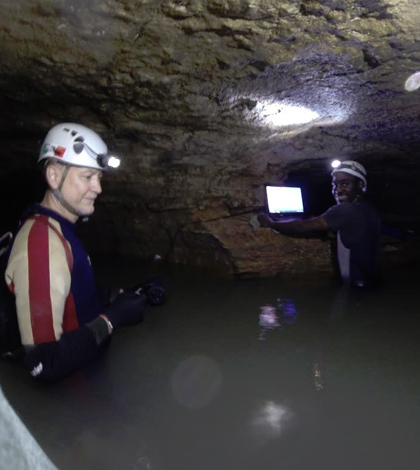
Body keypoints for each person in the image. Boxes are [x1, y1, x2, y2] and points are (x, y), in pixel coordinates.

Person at [4, 123, 148, 382]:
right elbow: (43, 363)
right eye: (87, 177)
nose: (98, 188)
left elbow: (68, 287)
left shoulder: (58, 227)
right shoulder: (41, 243)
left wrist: (120, 295)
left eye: (99, 178)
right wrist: (114, 318)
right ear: (54, 177)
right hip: (71, 395)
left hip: (88, 374)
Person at [257, 160, 381, 288]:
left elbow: (301, 227)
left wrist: (271, 223)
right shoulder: (369, 208)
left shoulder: (346, 210)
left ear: (360, 185)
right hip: (369, 282)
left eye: (345, 184)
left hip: (353, 287)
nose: (338, 190)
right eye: (335, 185)